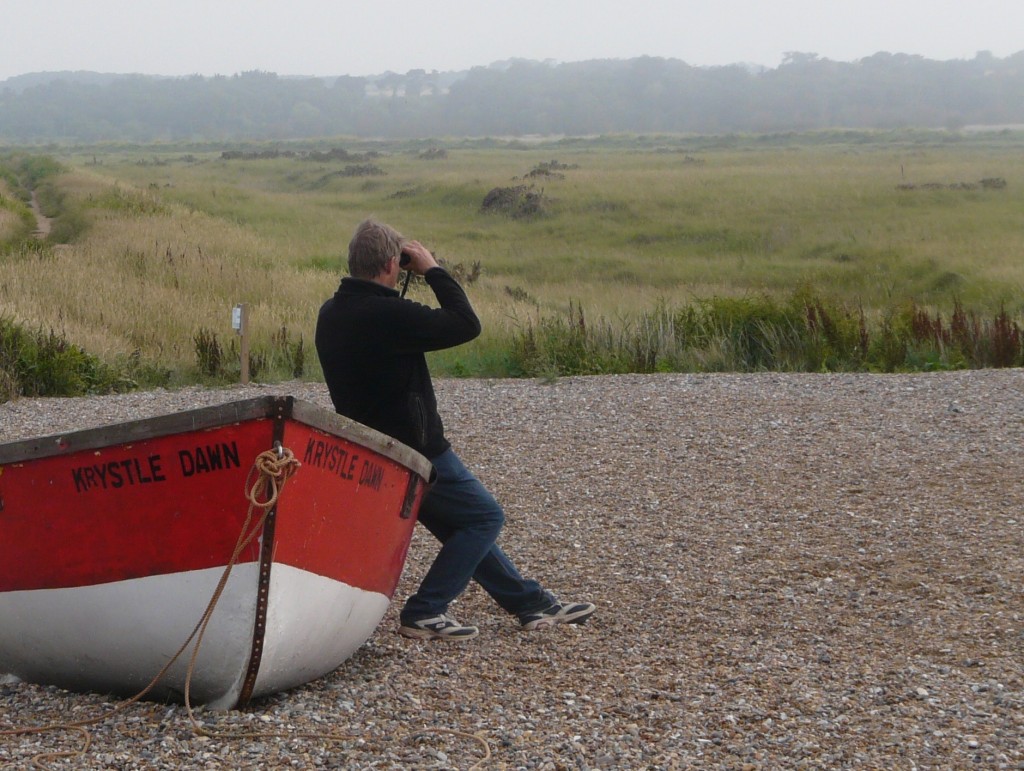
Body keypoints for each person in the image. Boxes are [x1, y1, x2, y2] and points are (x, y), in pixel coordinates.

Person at [315, 219, 595, 641]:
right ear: (393, 263)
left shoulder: (332, 312)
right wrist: (432, 270)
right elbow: (466, 324)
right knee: (485, 517)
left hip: (372, 446)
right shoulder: (389, 315)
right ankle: (426, 610)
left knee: (460, 527)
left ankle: (531, 604)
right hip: (416, 449)